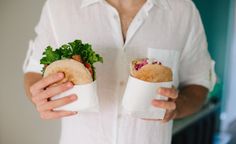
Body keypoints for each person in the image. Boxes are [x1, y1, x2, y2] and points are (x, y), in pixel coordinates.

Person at [23, 0, 215, 144]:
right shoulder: (60, 6)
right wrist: (40, 97)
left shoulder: (184, 11)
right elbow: (33, 72)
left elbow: (199, 82)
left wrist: (178, 106)